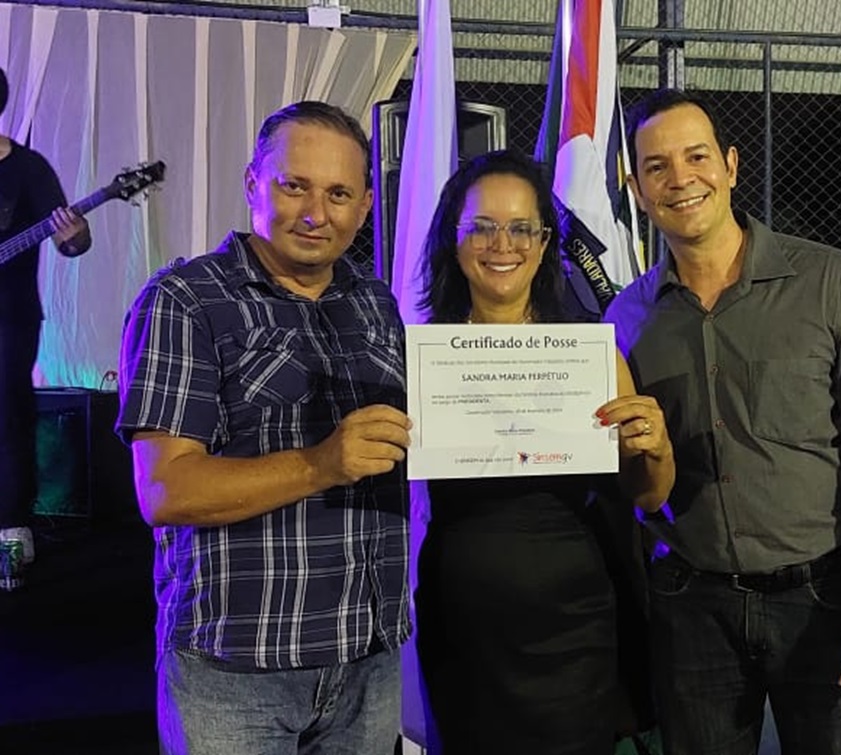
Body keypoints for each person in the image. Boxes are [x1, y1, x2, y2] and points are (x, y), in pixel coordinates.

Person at [605, 88, 841, 755]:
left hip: (822, 603)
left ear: (730, 165)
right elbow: (640, 488)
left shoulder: (833, 285)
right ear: (637, 190)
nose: (680, 178)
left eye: (697, 156)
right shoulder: (626, 320)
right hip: (690, 608)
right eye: (657, 166)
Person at [116, 101, 411, 754]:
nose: (316, 213)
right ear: (253, 184)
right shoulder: (186, 301)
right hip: (236, 669)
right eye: (294, 185)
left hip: (368, 657)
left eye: (338, 194)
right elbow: (165, 489)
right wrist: (320, 464)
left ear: (366, 206)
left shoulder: (375, 303)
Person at [414, 149, 674, 755]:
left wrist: (656, 448)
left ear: (544, 242)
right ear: (453, 239)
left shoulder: (589, 354)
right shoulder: (423, 358)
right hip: (464, 625)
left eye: (520, 228)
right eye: (482, 226)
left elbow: (649, 495)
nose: (501, 244)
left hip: (573, 624)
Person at [0, 65, 91, 583]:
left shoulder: (29, 170)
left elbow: (71, 243)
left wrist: (75, 233)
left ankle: (12, 531)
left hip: (9, 319)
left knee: (8, 417)